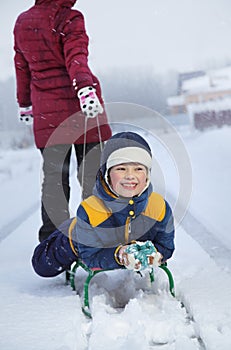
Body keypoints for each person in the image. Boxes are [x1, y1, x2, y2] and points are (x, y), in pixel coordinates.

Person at [13, 0, 112, 242]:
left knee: (54, 181)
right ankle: (96, 235)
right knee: (92, 177)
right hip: (80, 111)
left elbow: (22, 66)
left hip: (47, 113)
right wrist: (84, 88)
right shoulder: (69, 17)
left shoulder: (23, 21)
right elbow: (76, 57)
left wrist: (25, 102)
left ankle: (53, 241)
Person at [32, 131, 175, 277]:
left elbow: (166, 246)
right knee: (43, 266)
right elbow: (91, 257)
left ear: (147, 176)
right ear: (107, 174)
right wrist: (118, 255)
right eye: (121, 168)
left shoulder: (159, 207)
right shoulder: (91, 211)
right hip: (78, 237)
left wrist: (156, 254)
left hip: (120, 238)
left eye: (138, 169)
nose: (130, 176)